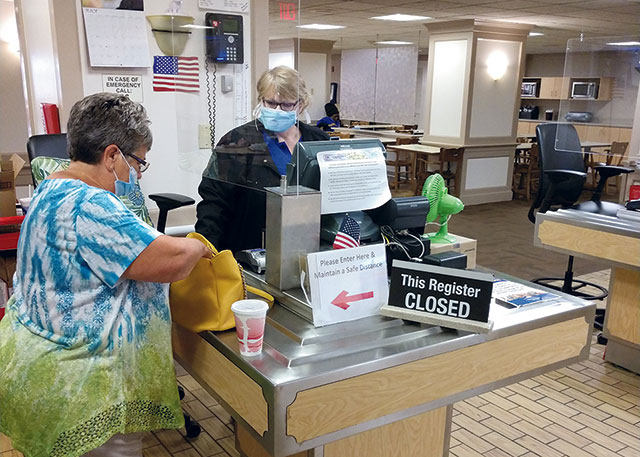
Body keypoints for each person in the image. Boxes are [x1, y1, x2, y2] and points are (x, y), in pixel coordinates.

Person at [0, 93, 211, 457]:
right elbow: (173, 262)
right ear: (112, 155)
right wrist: (197, 245)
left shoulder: (52, 186)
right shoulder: (90, 204)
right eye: (137, 162)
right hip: (85, 384)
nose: (138, 174)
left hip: (44, 364)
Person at [196, 66, 329, 252]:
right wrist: (208, 253)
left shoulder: (318, 141)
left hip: (310, 245)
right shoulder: (237, 142)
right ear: (261, 101)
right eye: (271, 103)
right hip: (250, 248)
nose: (277, 110)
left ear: (301, 104)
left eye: (286, 105)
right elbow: (214, 204)